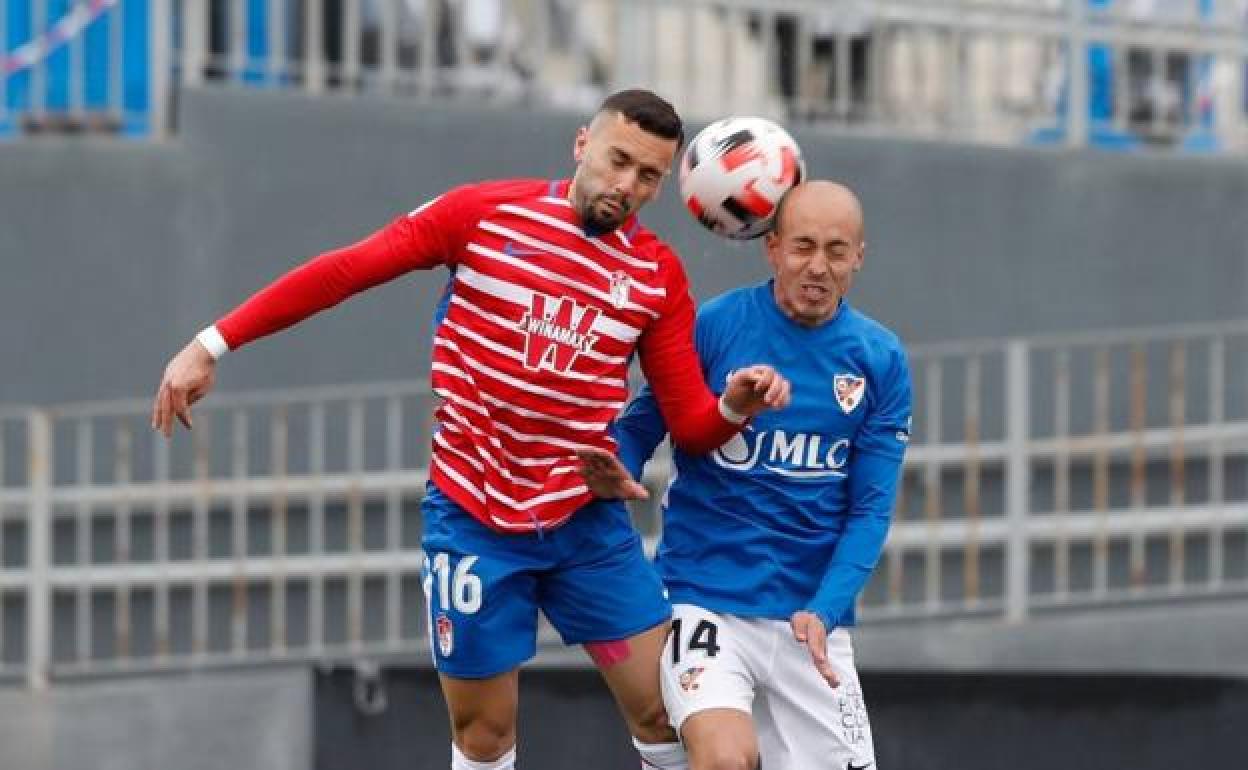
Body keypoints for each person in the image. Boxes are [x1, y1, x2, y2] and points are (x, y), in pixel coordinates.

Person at [149, 89, 790, 770]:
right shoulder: (484, 215)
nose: (626, 185)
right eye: (617, 160)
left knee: (663, 713)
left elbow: (690, 423)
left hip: (585, 527)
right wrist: (212, 344)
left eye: (648, 175)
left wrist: (733, 406)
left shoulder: (656, 275)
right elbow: (346, 271)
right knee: (485, 733)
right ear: (583, 145)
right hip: (474, 518)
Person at [578, 180, 911, 770]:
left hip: (812, 621)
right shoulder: (717, 325)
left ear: (859, 257)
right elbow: (638, 428)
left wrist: (826, 609)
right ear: (772, 247)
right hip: (707, 600)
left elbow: (869, 510)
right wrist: (616, 471)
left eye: (836, 250)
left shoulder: (880, 359)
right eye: (802, 246)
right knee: (726, 760)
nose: (817, 266)